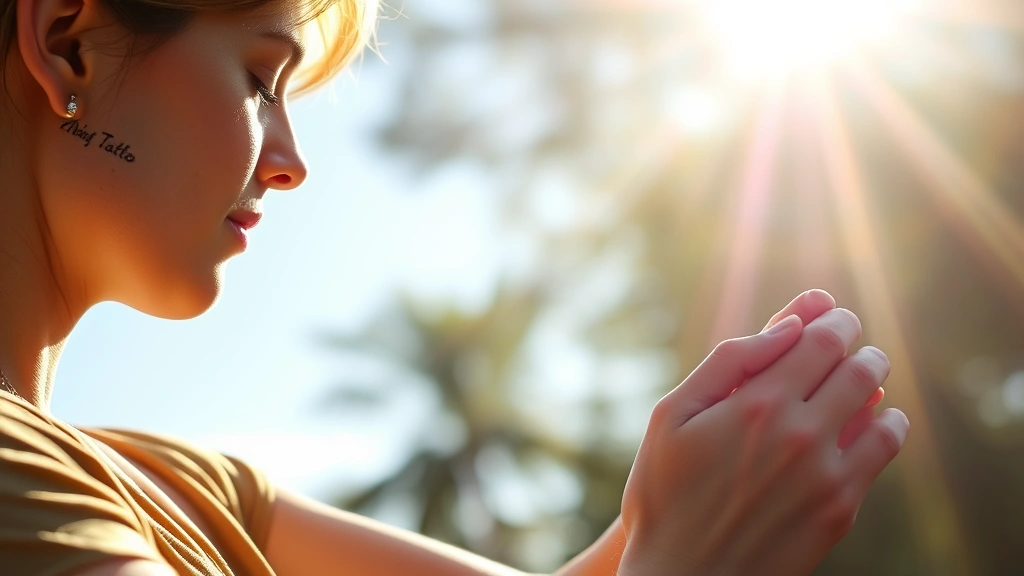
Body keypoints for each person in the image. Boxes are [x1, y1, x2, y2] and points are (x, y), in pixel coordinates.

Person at [0, 0, 910, 574]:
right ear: (67, 42)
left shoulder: (190, 488)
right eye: (259, 80)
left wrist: (658, 516)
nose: (291, 164)